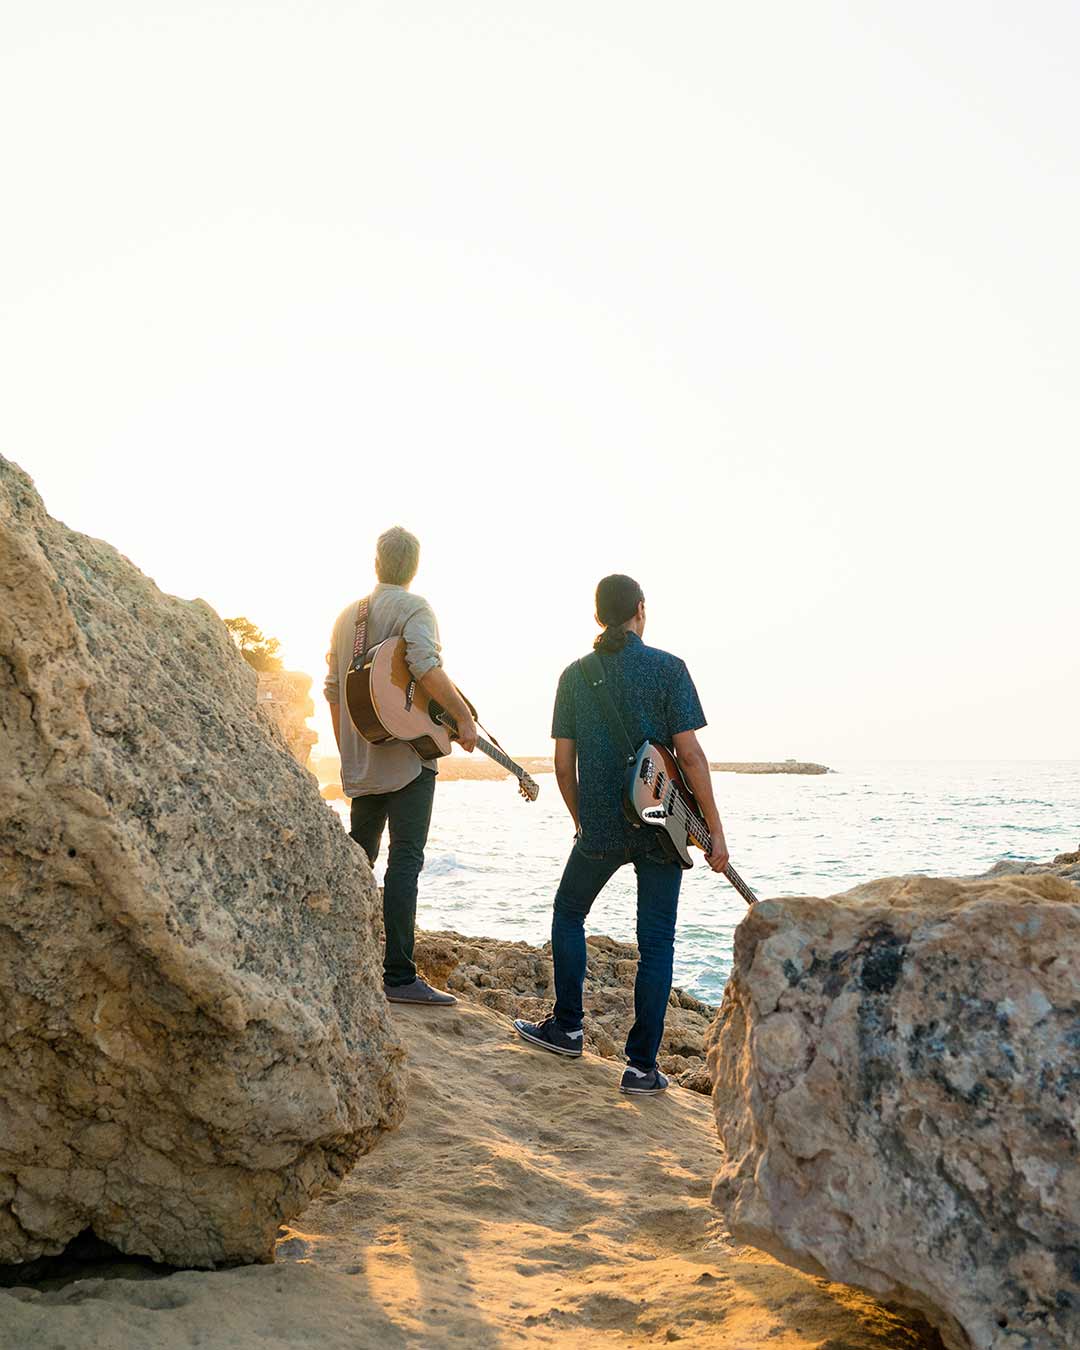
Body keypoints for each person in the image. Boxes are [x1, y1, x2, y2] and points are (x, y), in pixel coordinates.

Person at [514, 574, 729, 1094]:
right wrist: (716, 835)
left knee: (569, 913)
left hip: (603, 826)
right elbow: (692, 756)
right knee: (656, 944)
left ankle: (567, 1027)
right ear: (640, 610)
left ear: (596, 617)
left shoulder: (574, 676)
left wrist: (581, 819)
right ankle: (640, 1068)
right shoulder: (668, 669)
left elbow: (563, 765)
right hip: (663, 827)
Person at [324, 525, 477, 1006]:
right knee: (405, 862)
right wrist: (463, 718)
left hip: (364, 760)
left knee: (360, 856)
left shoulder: (348, 615)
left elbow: (333, 689)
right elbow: (425, 665)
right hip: (409, 762)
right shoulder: (415, 608)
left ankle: (332, 949)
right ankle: (398, 976)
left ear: (376, 563)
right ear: (413, 568)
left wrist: (349, 747)